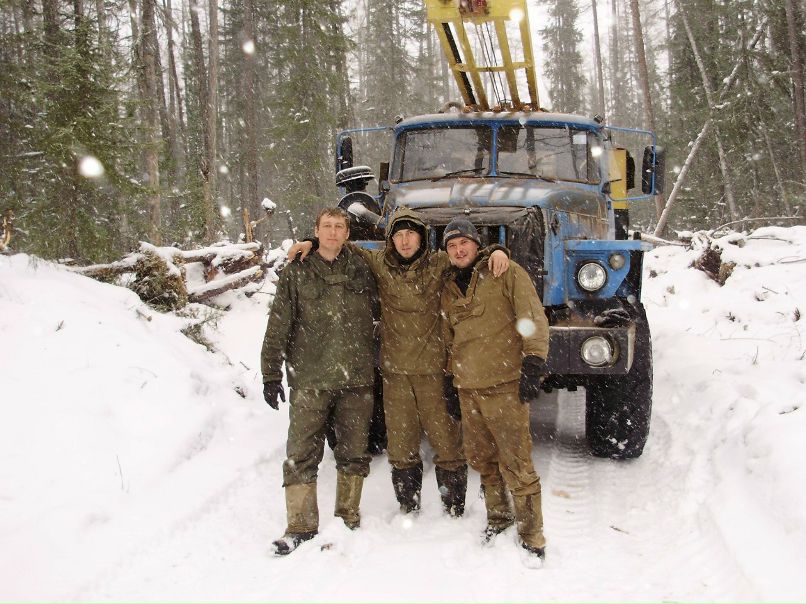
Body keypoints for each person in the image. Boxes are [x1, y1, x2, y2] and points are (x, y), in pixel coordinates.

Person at [288, 206, 510, 517]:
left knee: (447, 443)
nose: (405, 241)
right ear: (391, 240)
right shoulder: (378, 262)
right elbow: (337, 244)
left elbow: (467, 253)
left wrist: (497, 250)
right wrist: (310, 241)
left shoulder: (439, 264)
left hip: (433, 370)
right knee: (401, 446)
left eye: (411, 234)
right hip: (395, 373)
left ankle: (454, 505)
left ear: (422, 238)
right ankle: (408, 503)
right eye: (399, 235)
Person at [261, 207, 377, 556]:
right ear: (316, 231)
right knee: (301, 453)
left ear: (347, 233)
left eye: (339, 227)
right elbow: (278, 324)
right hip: (310, 379)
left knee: (354, 452)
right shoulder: (297, 271)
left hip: (356, 379)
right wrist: (270, 373)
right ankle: (299, 525)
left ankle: (348, 516)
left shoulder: (363, 267)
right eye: (325, 227)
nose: (332, 232)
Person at [440, 217, 550, 560]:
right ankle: (498, 518)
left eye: (464, 243)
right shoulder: (447, 286)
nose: (459, 250)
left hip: (504, 384)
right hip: (467, 386)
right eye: (452, 245)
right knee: (482, 459)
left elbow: (531, 315)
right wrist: (449, 379)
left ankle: (532, 535)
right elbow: (449, 338)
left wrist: (533, 362)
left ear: (477, 244)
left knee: (516, 461)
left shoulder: (504, 271)